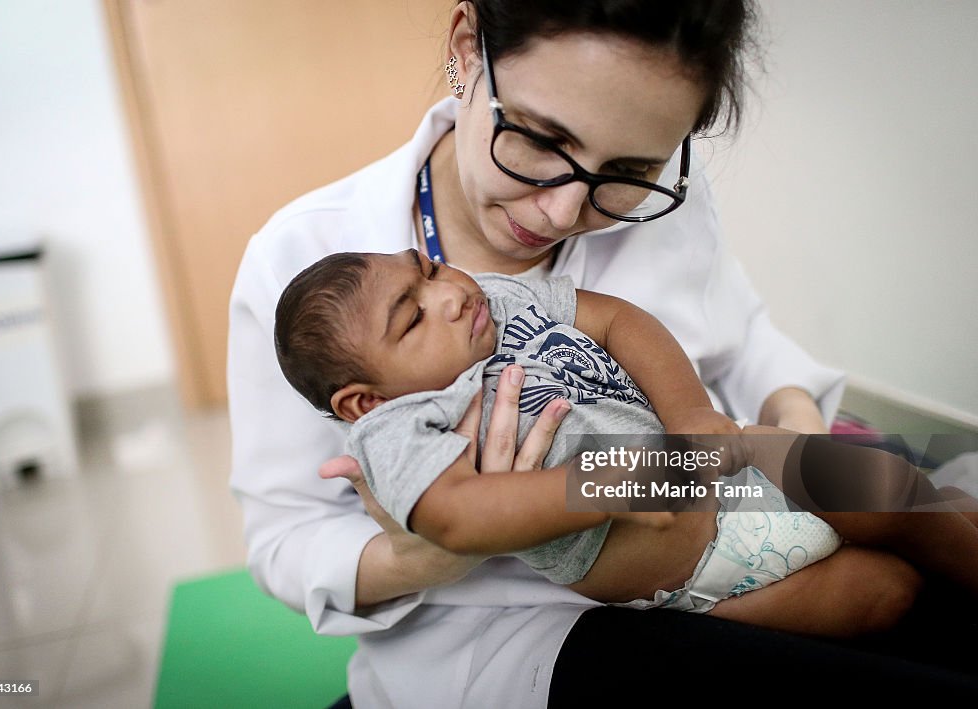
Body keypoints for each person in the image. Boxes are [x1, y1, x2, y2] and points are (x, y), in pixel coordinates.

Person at [228, 1, 978, 704]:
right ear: (466, 48)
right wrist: (426, 556)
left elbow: (736, 335)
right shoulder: (303, 261)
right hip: (532, 620)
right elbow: (288, 537)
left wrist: (784, 416)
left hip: (723, 473)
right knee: (891, 609)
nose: (559, 211)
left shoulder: (583, 249)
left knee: (915, 504)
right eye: (540, 139)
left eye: (627, 172)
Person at [273, 248, 978, 614]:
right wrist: (604, 482)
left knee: (902, 494)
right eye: (413, 315)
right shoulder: (396, 428)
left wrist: (690, 414)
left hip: (722, 455)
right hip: (688, 567)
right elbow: (458, 514)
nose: (450, 293)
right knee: (883, 596)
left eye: (427, 270)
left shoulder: (498, 296)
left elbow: (617, 318)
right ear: (363, 401)